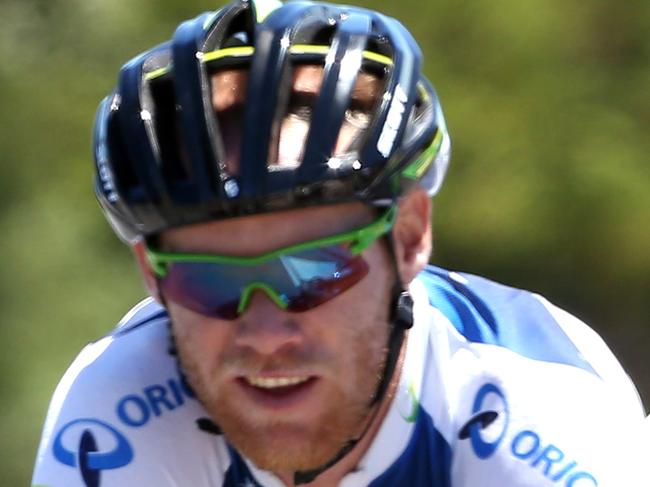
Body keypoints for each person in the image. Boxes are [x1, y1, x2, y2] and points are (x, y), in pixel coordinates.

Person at [32, 1, 647, 486]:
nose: (266, 333)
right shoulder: (116, 414)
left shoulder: (546, 421)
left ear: (408, 240)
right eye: (208, 280)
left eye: (313, 270)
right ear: (152, 276)